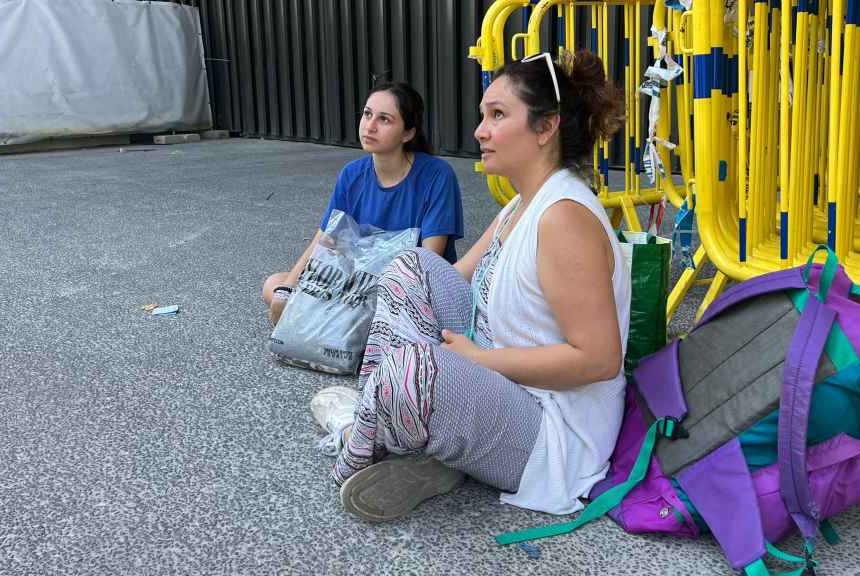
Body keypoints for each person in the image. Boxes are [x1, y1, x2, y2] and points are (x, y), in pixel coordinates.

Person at [311, 49, 629, 521]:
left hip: (550, 432)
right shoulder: (520, 206)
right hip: (504, 382)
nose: (480, 131)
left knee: (412, 373)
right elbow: (440, 282)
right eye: (483, 115)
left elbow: (600, 360)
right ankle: (416, 431)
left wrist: (473, 361)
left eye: (497, 115)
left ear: (546, 128)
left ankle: (371, 429)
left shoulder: (564, 217)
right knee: (410, 266)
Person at [262, 81, 464, 325]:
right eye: (367, 114)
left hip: (415, 292)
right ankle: (350, 325)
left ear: (408, 133)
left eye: (384, 119)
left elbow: (430, 260)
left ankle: (346, 325)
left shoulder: (437, 175)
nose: (370, 126)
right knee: (274, 285)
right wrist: (286, 292)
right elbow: (325, 239)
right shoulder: (352, 174)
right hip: (356, 286)